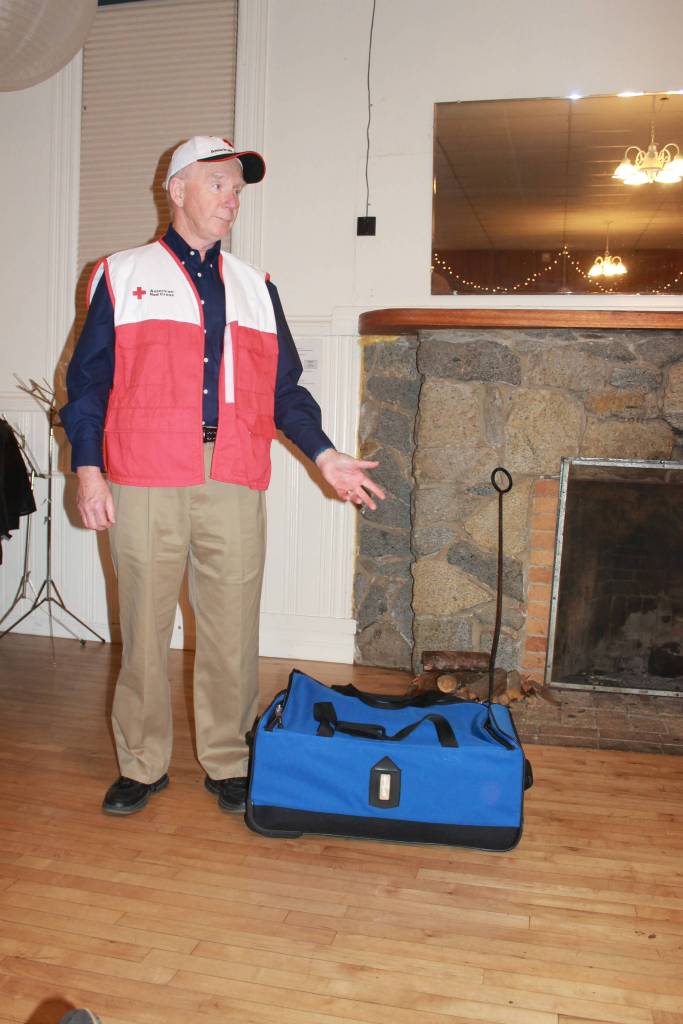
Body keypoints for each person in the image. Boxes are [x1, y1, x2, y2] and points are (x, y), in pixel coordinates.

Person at [60, 136, 384, 816]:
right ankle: (141, 763)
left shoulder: (257, 287)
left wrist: (324, 453)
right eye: (216, 183)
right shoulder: (119, 275)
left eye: (236, 187)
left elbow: (284, 391)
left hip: (234, 472)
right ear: (175, 189)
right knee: (143, 628)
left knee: (233, 627)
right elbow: (87, 384)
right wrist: (87, 469)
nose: (230, 198)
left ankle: (229, 759)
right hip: (144, 473)